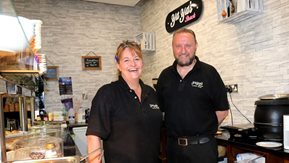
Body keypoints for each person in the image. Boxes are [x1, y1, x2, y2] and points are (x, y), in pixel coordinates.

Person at [156, 28, 229, 163]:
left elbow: (223, 110)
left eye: (188, 45)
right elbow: (161, 111)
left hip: (203, 150)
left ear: (196, 46)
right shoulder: (165, 76)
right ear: (173, 47)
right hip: (173, 150)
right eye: (178, 46)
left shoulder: (209, 73)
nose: (183, 50)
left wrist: (202, 129)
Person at [86, 40, 163, 163]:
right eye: (126, 60)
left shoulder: (151, 93)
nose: (133, 64)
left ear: (142, 63)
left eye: (137, 59)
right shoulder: (107, 93)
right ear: (118, 65)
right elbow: (93, 136)